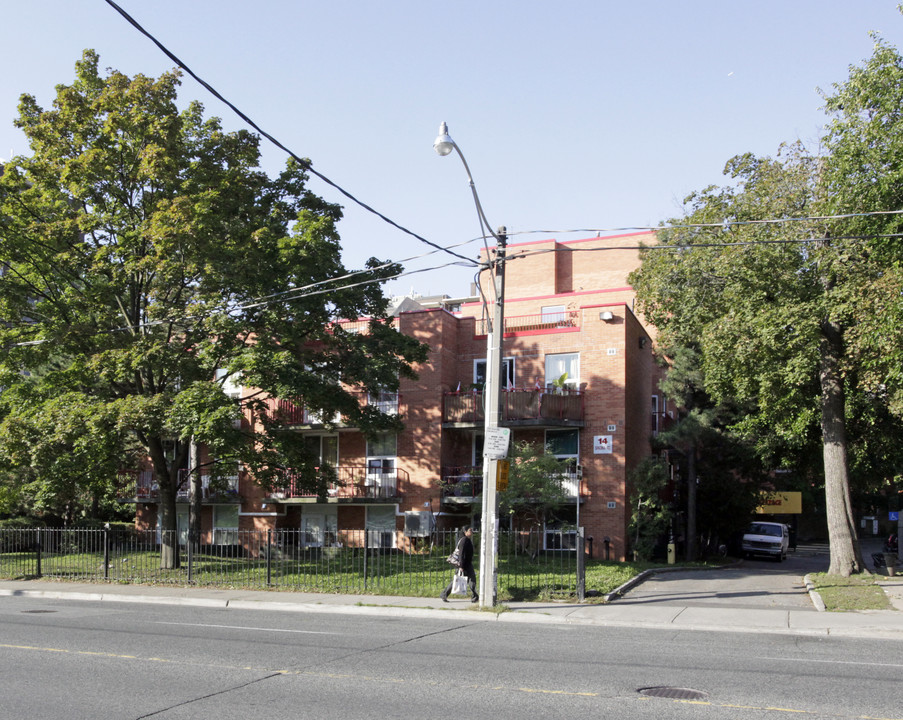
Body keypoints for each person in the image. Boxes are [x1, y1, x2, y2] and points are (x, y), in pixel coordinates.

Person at [440, 526, 478, 603]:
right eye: (470, 530)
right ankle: (444, 594)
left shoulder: (467, 540)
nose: (472, 532)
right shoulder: (464, 540)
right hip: (463, 564)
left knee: (471, 580)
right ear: (465, 532)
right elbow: (461, 554)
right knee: (458, 580)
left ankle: (475, 597)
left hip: (467, 564)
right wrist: (461, 566)